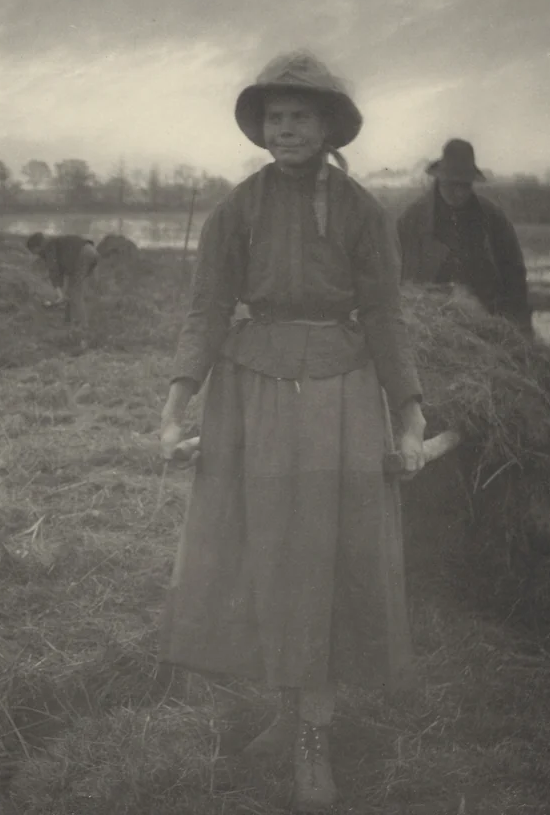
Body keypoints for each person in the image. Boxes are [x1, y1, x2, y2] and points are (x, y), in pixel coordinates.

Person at [157, 50, 427, 812]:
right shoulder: (234, 211)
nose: (285, 130)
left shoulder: (364, 214)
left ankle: (316, 732)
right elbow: (208, 309)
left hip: (341, 397)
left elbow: (385, 316)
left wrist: (410, 415)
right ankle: (288, 708)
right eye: (275, 118)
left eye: (300, 117)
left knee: (326, 553)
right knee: (268, 550)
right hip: (251, 396)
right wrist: (177, 402)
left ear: (328, 126)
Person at [397, 139, 533, 334]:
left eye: (465, 185)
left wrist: (521, 329)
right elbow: (397, 280)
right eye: (453, 185)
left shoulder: (493, 218)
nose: (460, 193)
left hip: (486, 326)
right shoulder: (412, 221)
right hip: (429, 328)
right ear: (440, 179)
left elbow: (515, 277)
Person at [26, 232, 100, 328]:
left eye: (33, 251)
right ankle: (68, 321)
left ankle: (83, 326)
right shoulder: (56, 243)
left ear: (37, 247)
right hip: (91, 251)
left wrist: (59, 293)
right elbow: (60, 268)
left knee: (75, 292)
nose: (34, 254)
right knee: (71, 291)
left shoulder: (48, 247)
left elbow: (54, 269)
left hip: (83, 255)